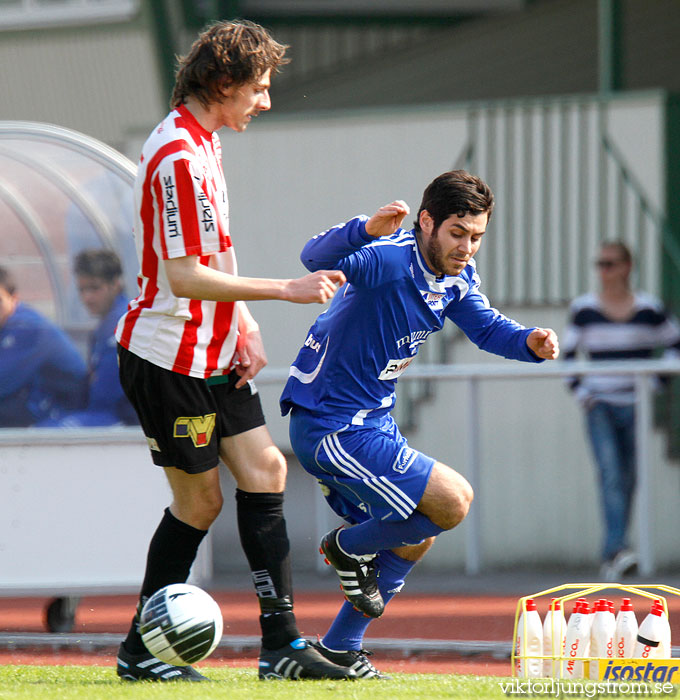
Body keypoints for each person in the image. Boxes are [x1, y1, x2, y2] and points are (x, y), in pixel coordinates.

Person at [114, 19, 352, 682]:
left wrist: (242, 322)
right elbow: (183, 276)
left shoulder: (205, 141)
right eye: (259, 88)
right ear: (222, 84)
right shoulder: (178, 158)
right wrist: (287, 290)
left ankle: (281, 647)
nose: (266, 102)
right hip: (169, 359)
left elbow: (216, 250)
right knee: (200, 505)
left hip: (215, 352)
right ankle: (140, 651)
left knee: (266, 470)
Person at [279, 170, 560, 678]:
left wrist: (528, 343)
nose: (467, 247)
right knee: (453, 500)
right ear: (426, 222)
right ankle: (343, 547)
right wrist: (366, 230)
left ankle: (341, 646)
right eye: (457, 233)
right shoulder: (389, 258)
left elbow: (486, 327)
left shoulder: (457, 277)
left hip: (372, 424)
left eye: (476, 237)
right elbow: (314, 258)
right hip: (332, 426)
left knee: (416, 534)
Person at [563, 241, 680, 582]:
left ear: (627, 266)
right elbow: (567, 357)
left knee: (628, 477)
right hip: (600, 406)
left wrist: (655, 384)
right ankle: (616, 550)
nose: (604, 270)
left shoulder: (649, 308)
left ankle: (615, 553)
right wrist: (584, 395)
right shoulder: (583, 308)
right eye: (599, 264)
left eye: (610, 263)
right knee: (612, 474)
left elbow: (675, 345)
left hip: (636, 406)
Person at [38, 249, 137, 427]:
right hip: (101, 414)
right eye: (82, 290)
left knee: (51, 431)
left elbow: (109, 396)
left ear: (116, 283)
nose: (87, 297)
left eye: (95, 288)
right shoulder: (104, 328)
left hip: (124, 420)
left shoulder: (126, 323)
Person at [0, 266, 87, 427]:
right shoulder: (7, 322)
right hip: (37, 402)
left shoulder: (28, 328)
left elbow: (3, 381)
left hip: (63, 410)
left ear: (14, 298)